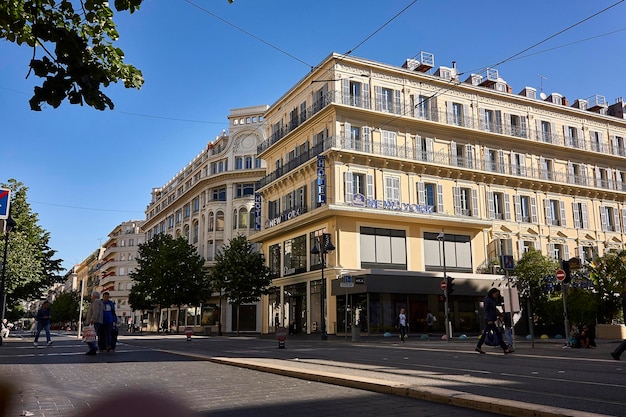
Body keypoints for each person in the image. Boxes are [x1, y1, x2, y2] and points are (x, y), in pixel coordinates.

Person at [475, 288, 513, 354]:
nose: (497, 296)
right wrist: (489, 319)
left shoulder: (492, 299)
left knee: (487, 334)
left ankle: (478, 346)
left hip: (491, 319)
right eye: (496, 294)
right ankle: (505, 349)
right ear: (492, 293)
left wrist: (499, 314)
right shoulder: (488, 299)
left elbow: (494, 309)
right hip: (490, 319)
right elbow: (486, 309)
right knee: (497, 334)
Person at [84, 291, 103, 355]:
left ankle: (93, 348)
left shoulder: (96, 302)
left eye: (91, 296)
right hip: (97, 321)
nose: (91, 297)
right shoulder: (99, 302)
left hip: (94, 321)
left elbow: (95, 311)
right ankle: (93, 348)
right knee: (92, 335)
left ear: (94, 296)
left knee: (90, 335)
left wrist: (92, 319)